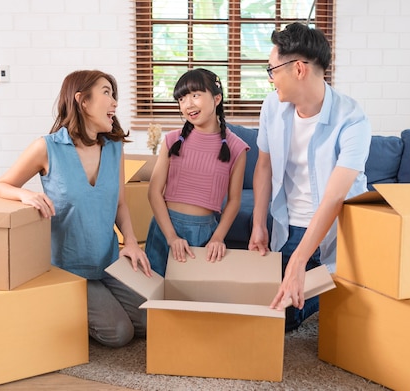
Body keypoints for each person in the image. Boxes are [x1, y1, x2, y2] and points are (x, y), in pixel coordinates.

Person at [0, 70, 151, 348]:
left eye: (114, 95)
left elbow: (120, 204)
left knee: (150, 321)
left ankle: (97, 298)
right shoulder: (47, 147)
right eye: (106, 93)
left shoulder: (114, 147)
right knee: (118, 333)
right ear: (82, 100)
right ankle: (58, 309)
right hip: (67, 268)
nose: (114, 102)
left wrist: (132, 243)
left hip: (108, 262)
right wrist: (24, 194)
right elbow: (1, 185)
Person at [249, 23, 371, 332]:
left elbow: (334, 198)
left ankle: (340, 282)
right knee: (261, 307)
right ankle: (329, 287)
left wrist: (298, 262)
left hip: (338, 232)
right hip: (290, 228)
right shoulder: (272, 108)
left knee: (283, 316)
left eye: (272, 69)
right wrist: (259, 224)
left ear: (299, 69)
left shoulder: (352, 119)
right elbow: (264, 166)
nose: (271, 78)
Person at [145, 68, 249, 276]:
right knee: (154, 291)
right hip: (165, 227)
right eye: (182, 99)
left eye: (195, 95)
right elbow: (154, 192)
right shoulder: (172, 140)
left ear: (217, 98)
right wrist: (171, 237)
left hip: (203, 231)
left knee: (193, 296)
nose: (188, 104)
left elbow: (234, 201)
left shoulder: (237, 147)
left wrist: (218, 237)